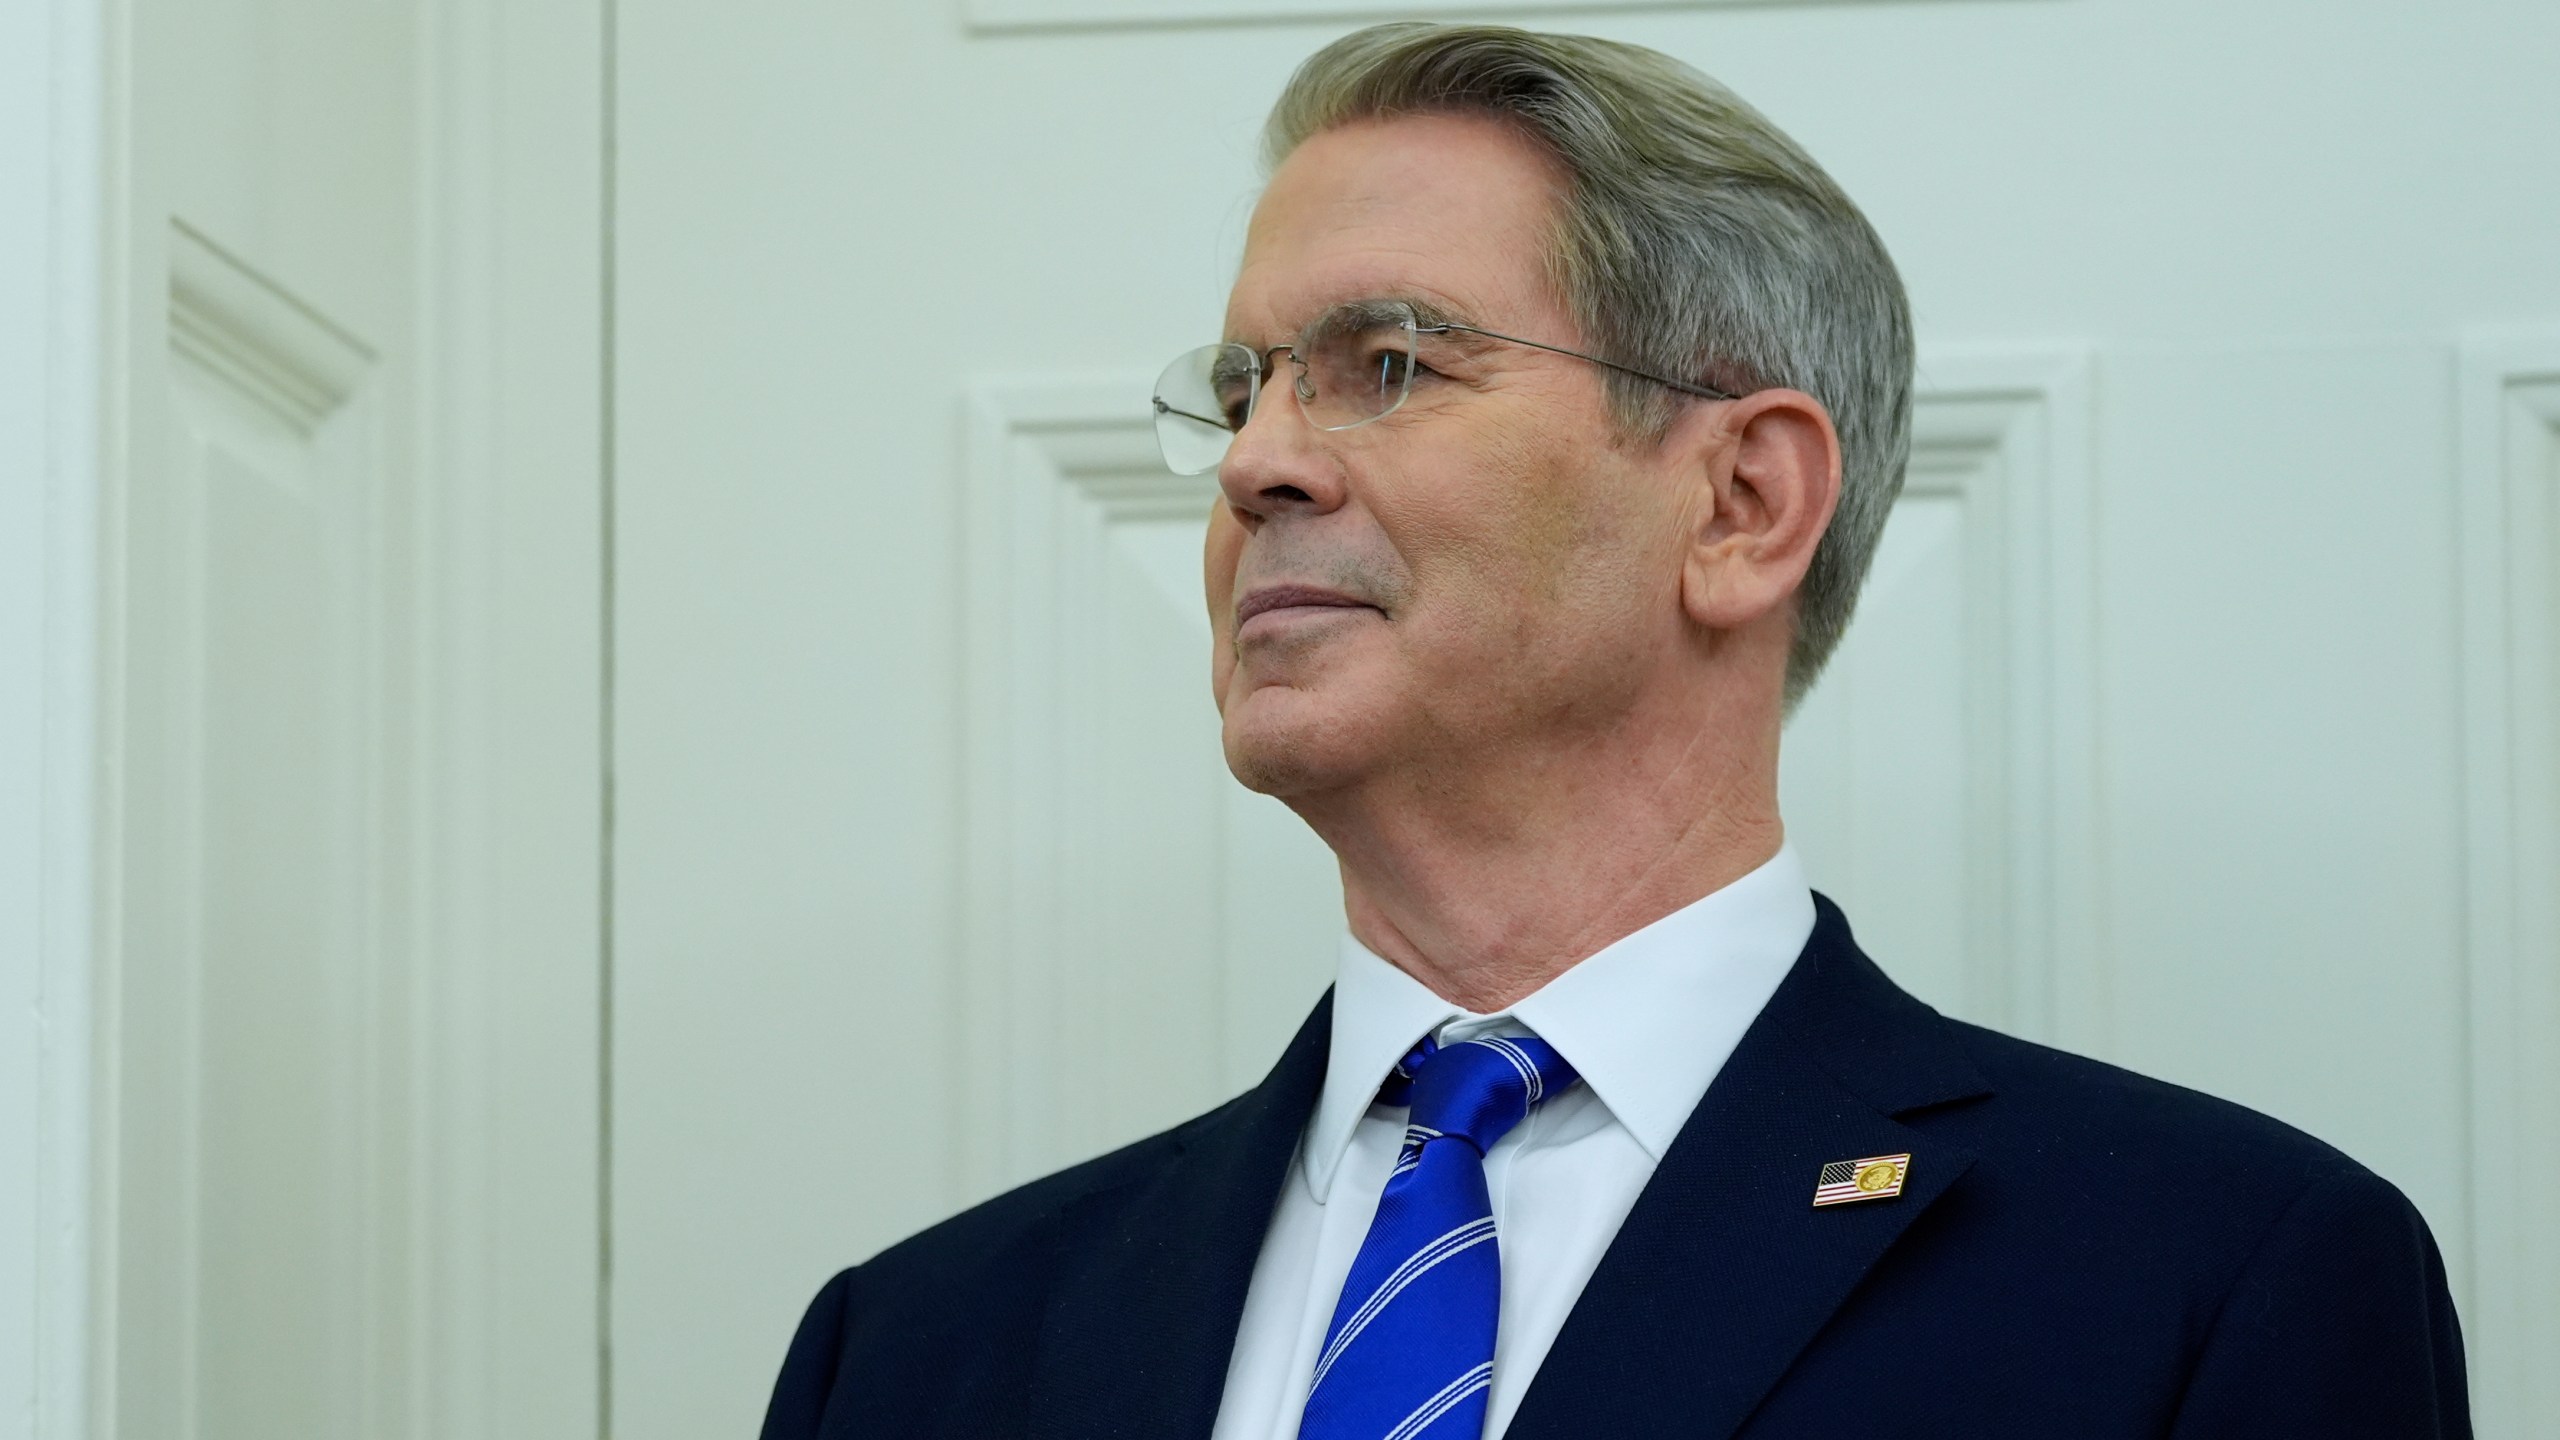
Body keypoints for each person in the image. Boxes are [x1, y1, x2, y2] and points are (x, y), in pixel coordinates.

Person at [760, 22, 2467, 1439]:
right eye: (1242, 387)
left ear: (1741, 501)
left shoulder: (2205, 1281)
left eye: (1389, 363)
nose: (1257, 461)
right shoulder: (916, 1354)